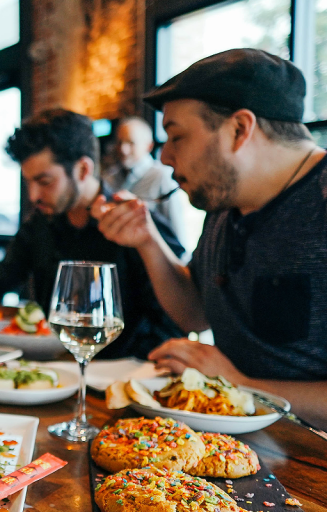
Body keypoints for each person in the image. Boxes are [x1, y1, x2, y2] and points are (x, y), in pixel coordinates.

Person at [92, 48, 327, 428]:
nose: (165, 157)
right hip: (234, 439)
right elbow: (195, 312)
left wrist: (238, 384)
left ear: (239, 129)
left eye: (176, 137)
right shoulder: (225, 203)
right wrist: (148, 241)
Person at [0, 108, 185, 360]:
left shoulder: (134, 224)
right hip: (54, 369)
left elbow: (175, 322)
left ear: (83, 169)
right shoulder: (38, 226)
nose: (33, 195)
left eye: (45, 182)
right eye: (28, 182)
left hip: (121, 374)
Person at [102, 116, 188, 240]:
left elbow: (176, 230)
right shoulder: (109, 177)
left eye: (131, 143)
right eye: (120, 142)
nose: (123, 149)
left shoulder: (162, 176)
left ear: (149, 146)